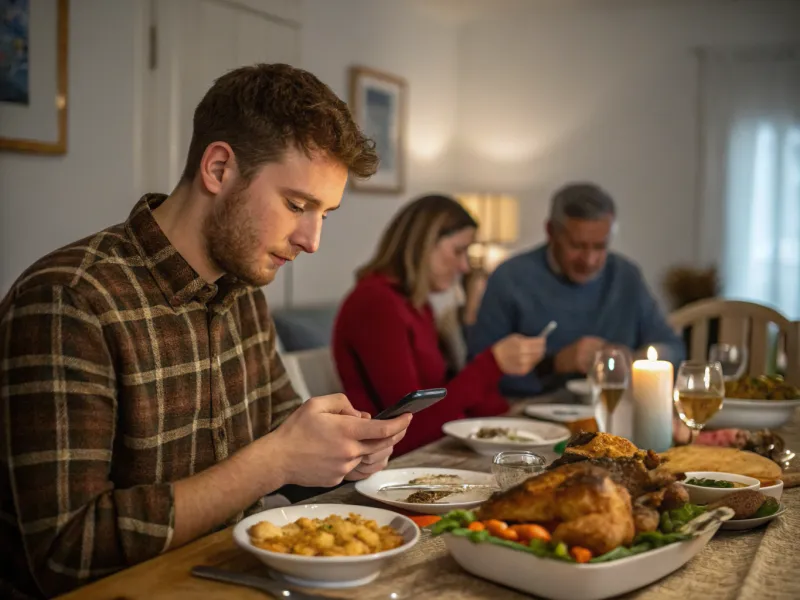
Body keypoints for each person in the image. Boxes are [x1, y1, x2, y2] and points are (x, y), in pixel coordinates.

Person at [0, 64, 413, 599]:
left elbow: (283, 452)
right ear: (218, 168)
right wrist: (275, 460)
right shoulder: (69, 299)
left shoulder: (243, 291)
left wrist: (339, 452)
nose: (312, 241)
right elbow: (67, 551)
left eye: (324, 215)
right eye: (296, 205)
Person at [332, 194, 546, 456]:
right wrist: (492, 364)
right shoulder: (376, 303)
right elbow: (408, 429)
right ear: (424, 243)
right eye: (459, 250)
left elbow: (451, 400)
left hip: (425, 450)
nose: (465, 265)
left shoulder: (418, 306)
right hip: (384, 460)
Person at [468, 182, 685, 398]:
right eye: (577, 246)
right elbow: (477, 371)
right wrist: (553, 364)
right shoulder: (510, 277)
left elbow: (673, 348)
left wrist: (636, 359)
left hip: (614, 410)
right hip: (531, 416)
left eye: (600, 247)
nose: (589, 261)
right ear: (551, 232)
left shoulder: (626, 275)